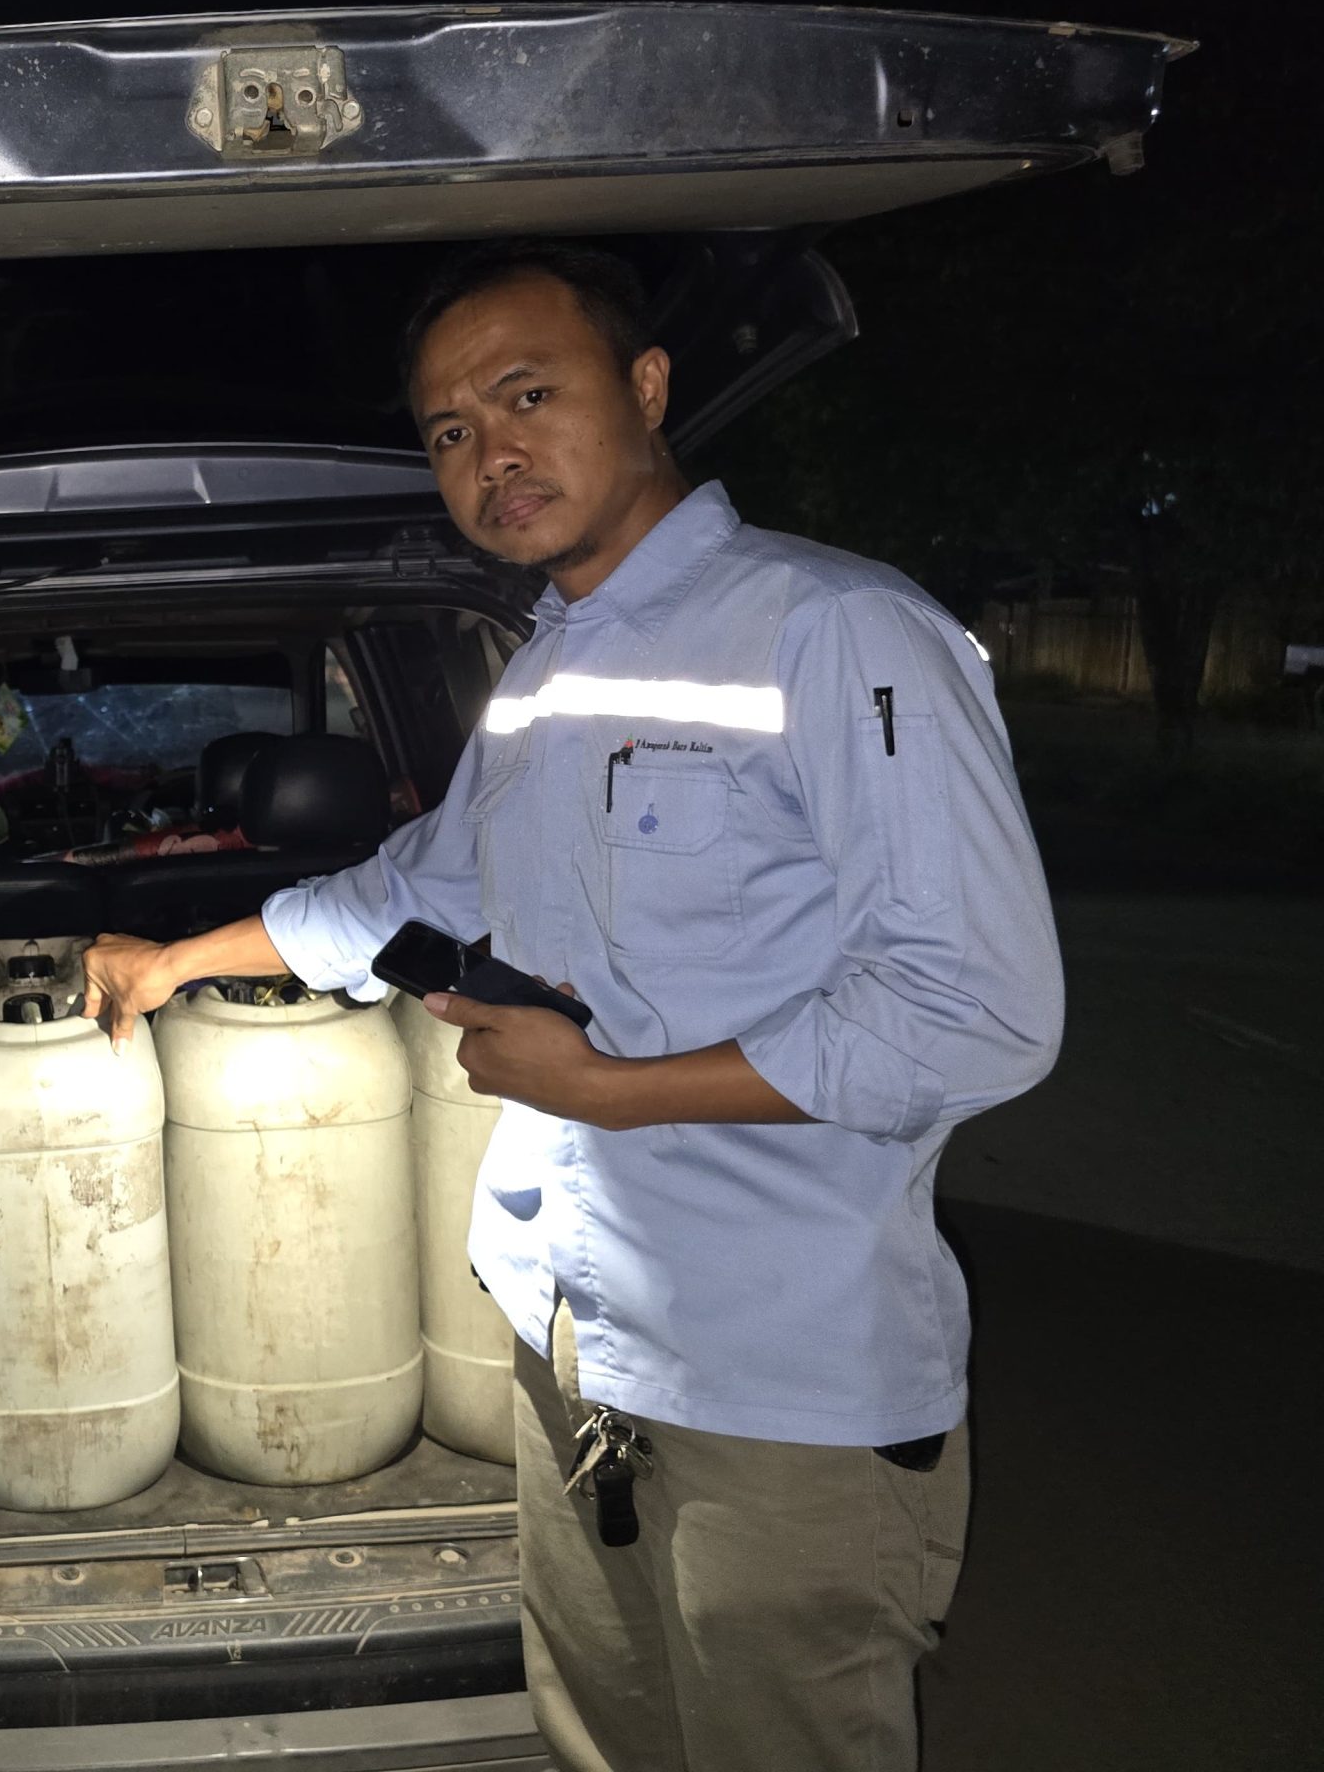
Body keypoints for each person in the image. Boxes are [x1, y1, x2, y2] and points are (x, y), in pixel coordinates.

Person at [83, 240, 1063, 1770]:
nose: (492, 451)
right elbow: (411, 891)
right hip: (572, 1350)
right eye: (451, 429)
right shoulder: (543, 676)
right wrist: (175, 961)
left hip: (776, 1383)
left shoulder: (836, 631)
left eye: (528, 395)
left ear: (649, 387)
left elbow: (974, 1010)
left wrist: (605, 1090)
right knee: (603, 1739)